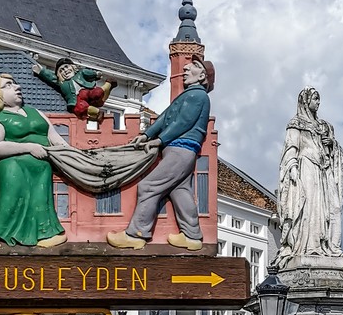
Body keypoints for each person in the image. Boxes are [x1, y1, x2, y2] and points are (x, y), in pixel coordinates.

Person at [107, 57, 214, 252]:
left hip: (180, 148)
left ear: (202, 76)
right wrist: (147, 135)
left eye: (195, 66)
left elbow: (183, 122)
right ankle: (192, 236)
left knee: (148, 186)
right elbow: (164, 118)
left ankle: (136, 234)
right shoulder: (188, 95)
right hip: (181, 150)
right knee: (180, 191)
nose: (186, 67)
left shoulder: (197, 96)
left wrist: (160, 140)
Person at [0, 74, 68, 249]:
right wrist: (29, 147)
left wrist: (70, 153)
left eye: (15, 83)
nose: (17, 87)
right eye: (8, 85)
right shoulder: (0, 119)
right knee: (11, 197)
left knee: (41, 198)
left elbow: (55, 137)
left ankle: (46, 234)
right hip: (13, 165)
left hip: (42, 167)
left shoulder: (36, 113)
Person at [273, 87, 343, 269]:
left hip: (324, 170)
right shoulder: (296, 124)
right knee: (310, 207)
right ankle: (310, 246)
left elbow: (333, 150)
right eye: (315, 99)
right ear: (305, 101)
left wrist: (332, 144)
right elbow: (291, 148)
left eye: (319, 99)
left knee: (332, 207)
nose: (318, 102)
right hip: (307, 168)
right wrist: (292, 168)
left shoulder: (324, 126)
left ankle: (329, 246)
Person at [33, 56, 113, 122]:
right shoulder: (62, 83)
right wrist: (41, 71)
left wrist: (95, 74)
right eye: (61, 70)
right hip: (76, 98)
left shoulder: (80, 74)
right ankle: (97, 113)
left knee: (97, 93)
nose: (65, 70)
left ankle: (108, 84)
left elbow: (87, 73)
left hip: (86, 91)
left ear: (72, 67)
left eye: (66, 67)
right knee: (80, 107)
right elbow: (50, 77)